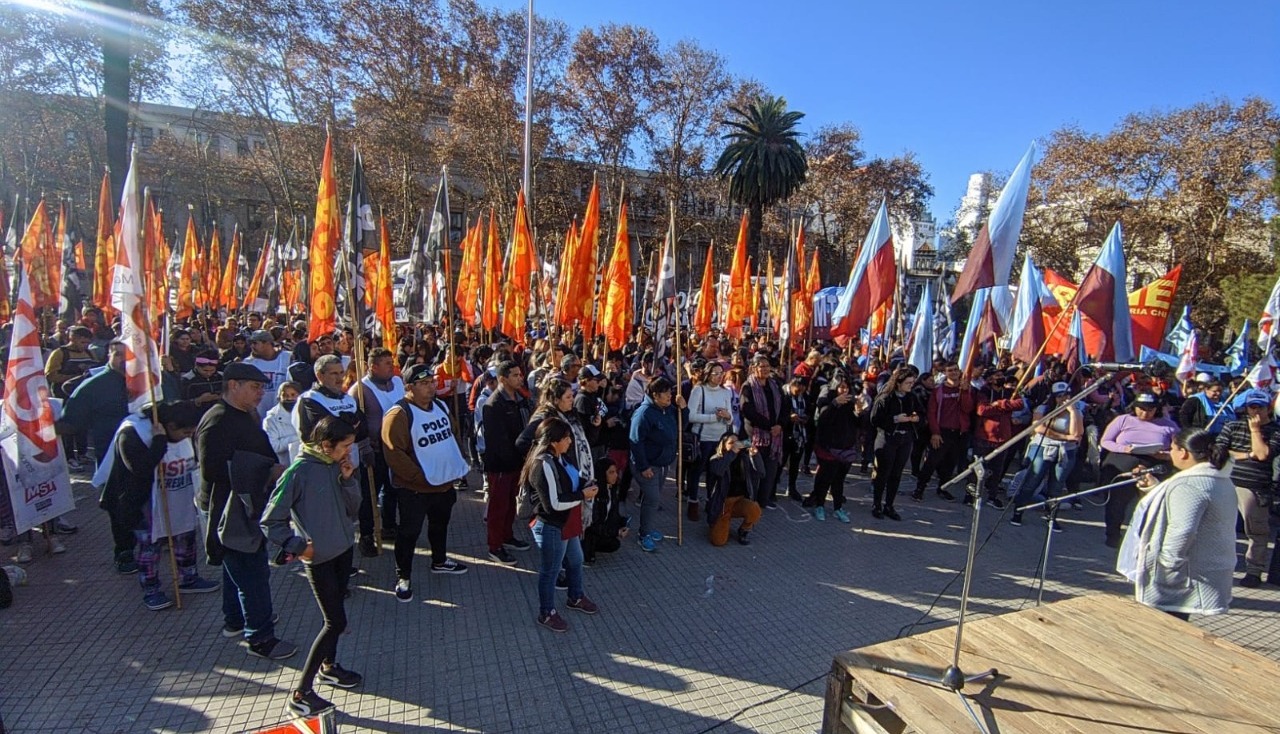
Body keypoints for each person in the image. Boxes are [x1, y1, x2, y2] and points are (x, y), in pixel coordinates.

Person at [261, 416, 364, 716]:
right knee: (335, 623)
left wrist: (348, 480)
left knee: (337, 618)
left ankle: (329, 667)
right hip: (318, 559)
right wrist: (298, 546)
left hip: (343, 551)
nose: (348, 452)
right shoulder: (298, 472)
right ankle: (301, 693)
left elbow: (352, 508)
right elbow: (270, 520)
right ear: (325, 444)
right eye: (344, 446)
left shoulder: (335, 466)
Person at [195, 362, 297, 660]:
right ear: (233, 385)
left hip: (246, 505)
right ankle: (261, 637)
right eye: (254, 388)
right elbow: (214, 471)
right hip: (230, 510)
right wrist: (266, 470)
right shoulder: (217, 422)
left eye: (262, 388)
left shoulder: (244, 415)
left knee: (235, 569)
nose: (260, 394)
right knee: (252, 573)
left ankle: (236, 619)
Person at [95, 400, 219, 610]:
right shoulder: (133, 433)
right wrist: (160, 442)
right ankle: (151, 588)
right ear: (170, 426)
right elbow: (139, 468)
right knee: (149, 546)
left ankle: (188, 577)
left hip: (178, 496)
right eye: (185, 432)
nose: (188, 436)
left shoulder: (184, 432)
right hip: (144, 502)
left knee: (186, 536)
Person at [1118, 429, 1237, 619]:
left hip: (1184, 575)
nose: (1169, 452)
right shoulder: (1219, 478)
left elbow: (1182, 530)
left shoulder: (1188, 483)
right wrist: (1155, 488)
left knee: (1165, 631)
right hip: (1205, 569)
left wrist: (1167, 564)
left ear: (1183, 452)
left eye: (1172, 448)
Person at [381, 363, 471, 603]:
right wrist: (419, 478)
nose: (431, 387)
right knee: (409, 533)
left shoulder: (440, 405)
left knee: (440, 525)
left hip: (443, 486)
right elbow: (394, 453)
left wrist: (457, 464)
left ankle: (439, 560)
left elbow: (452, 435)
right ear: (409, 387)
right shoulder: (398, 414)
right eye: (424, 383)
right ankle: (403, 577)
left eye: (431, 382)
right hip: (415, 490)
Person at [523, 417, 600, 632]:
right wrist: (583, 495)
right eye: (566, 438)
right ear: (553, 441)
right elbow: (554, 504)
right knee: (551, 570)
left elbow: (573, 480)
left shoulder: (561, 458)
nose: (570, 441)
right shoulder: (543, 464)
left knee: (576, 560)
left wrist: (586, 484)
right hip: (552, 525)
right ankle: (546, 612)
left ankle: (575, 596)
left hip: (567, 522)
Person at [294, 354, 372, 552]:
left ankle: (349, 548)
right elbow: (323, 432)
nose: (339, 378)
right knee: (329, 514)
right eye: (333, 374)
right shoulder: (309, 400)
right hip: (323, 468)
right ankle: (330, 552)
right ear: (320, 375)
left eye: (341, 373)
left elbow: (363, 427)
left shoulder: (347, 398)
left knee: (351, 509)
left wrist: (344, 423)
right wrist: (348, 423)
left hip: (349, 464)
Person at [1213, 389, 1280, 588]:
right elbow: (1218, 452)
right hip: (1227, 480)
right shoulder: (1232, 426)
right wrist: (1247, 455)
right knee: (1218, 527)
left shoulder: (1276, 431)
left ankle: (1254, 571)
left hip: (1255, 486)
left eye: (1261, 406)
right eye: (1253, 406)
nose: (1257, 411)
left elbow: (1262, 454)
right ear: (1245, 408)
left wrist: (1255, 432)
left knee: (1256, 531)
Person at [1100, 392, 1179, 548]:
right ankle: (1113, 535)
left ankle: (1146, 537)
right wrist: (1124, 448)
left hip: (1154, 463)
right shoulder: (1123, 420)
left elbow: (1179, 448)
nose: (1145, 413)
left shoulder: (1169, 425)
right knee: (1117, 502)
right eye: (1141, 409)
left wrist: (1167, 455)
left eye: (1150, 409)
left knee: (1151, 503)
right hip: (1124, 460)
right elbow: (1105, 441)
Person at [349, 347, 405, 550]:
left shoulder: (397, 382)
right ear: (373, 367)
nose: (392, 367)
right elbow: (354, 423)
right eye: (387, 364)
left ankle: (389, 526)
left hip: (397, 448)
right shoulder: (360, 390)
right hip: (374, 450)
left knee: (393, 490)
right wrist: (364, 448)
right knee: (369, 494)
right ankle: (366, 536)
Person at [481, 361, 534, 566]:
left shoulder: (520, 398)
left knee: (511, 503)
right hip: (501, 465)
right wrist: (518, 457)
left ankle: (507, 536)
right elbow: (498, 441)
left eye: (520, 374)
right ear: (502, 379)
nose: (520, 378)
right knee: (498, 506)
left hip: (517, 462)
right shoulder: (493, 405)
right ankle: (494, 546)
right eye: (515, 375)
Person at [1010, 382, 1083, 530]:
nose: (1063, 399)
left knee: (1056, 485)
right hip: (1043, 447)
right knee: (1032, 479)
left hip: (1065, 451)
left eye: (1067, 396)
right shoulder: (1043, 409)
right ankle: (1018, 511)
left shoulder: (1077, 412)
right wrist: (1064, 437)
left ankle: (1051, 517)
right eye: (1060, 396)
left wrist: (1073, 412)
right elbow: (1039, 428)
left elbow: (1076, 434)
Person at [629, 376, 686, 553]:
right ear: (655, 395)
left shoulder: (666, 409)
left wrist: (683, 409)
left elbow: (680, 424)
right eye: (666, 392)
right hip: (648, 465)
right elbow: (635, 441)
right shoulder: (644, 413)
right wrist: (643, 466)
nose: (670, 395)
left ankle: (648, 527)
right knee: (653, 498)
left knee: (652, 499)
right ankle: (643, 534)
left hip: (662, 463)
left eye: (670, 391)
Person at [912, 362, 973, 502]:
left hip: (959, 432)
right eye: (950, 370)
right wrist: (935, 432)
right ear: (945, 373)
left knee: (950, 463)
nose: (953, 373)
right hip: (942, 431)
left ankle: (943, 488)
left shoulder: (966, 389)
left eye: (956, 370)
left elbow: (968, 408)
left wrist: (964, 392)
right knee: (932, 462)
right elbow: (931, 413)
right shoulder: (938, 391)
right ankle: (919, 488)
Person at [805, 371, 860, 523]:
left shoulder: (851, 403)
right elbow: (823, 419)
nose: (844, 391)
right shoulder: (827, 399)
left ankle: (837, 507)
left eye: (846, 387)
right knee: (825, 478)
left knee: (839, 480)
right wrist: (835, 404)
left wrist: (859, 413)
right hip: (828, 447)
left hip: (845, 447)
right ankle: (820, 505)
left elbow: (860, 426)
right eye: (841, 387)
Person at [869, 367, 923, 520]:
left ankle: (889, 505)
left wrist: (916, 419)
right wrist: (895, 419)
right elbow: (875, 419)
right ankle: (877, 504)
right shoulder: (886, 397)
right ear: (898, 383)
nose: (910, 386)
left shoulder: (912, 397)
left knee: (897, 473)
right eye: (907, 383)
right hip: (887, 439)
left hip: (905, 439)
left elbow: (921, 414)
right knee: (883, 473)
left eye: (912, 382)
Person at [968, 369, 1025, 509]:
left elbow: (1019, 404)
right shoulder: (984, 391)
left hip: (1003, 437)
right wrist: (1002, 408)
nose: (1001, 378)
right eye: (997, 376)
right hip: (984, 435)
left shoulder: (1008, 392)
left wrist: (1000, 404)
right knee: (978, 468)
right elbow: (982, 410)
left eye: (1001, 375)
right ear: (990, 379)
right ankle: (970, 495)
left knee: (997, 469)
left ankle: (992, 496)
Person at [685, 361, 734, 520]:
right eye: (716, 373)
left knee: (715, 472)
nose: (719, 377)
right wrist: (714, 417)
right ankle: (692, 501)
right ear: (708, 374)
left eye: (721, 373)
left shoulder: (726, 392)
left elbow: (730, 417)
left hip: (720, 439)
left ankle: (710, 501)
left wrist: (727, 417)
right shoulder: (699, 390)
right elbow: (691, 416)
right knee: (697, 471)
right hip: (702, 438)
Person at [740, 355, 789, 508]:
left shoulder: (775, 385)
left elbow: (785, 407)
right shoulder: (748, 387)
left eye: (767, 366)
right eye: (762, 366)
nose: (766, 369)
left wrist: (780, 425)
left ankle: (764, 499)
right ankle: (751, 501)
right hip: (755, 436)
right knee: (755, 470)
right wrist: (769, 427)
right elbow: (748, 411)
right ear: (754, 368)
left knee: (770, 470)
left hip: (775, 436)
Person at [704, 433, 762, 546]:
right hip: (722, 503)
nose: (735, 445)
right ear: (723, 445)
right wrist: (731, 453)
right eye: (731, 443)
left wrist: (755, 456)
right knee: (718, 541)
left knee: (754, 509)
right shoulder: (716, 459)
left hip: (739, 500)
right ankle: (717, 522)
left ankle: (744, 530)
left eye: (737, 442)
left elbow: (761, 473)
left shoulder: (743, 458)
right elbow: (718, 470)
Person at [582, 459, 629, 564]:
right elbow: (592, 523)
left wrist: (622, 524)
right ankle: (586, 550)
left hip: (601, 527)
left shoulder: (611, 489)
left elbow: (612, 513)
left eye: (616, 472)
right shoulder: (594, 493)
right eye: (611, 472)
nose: (615, 475)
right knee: (592, 536)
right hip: (588, 530)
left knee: (614, 544)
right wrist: (614, 531)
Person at [243, 330, 292, 417]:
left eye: (255, 343)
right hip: (257, 414)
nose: (252, 346)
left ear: (267, 343)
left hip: (282, 414)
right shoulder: (248, 363)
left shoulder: (287, 357)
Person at [263, 382, 302, 465]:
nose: (289, 398)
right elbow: (274, 446)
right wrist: (298, 438)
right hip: (284, 465)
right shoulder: (271, 420)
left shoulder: (306, 414)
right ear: (279, 397)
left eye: (293, 394)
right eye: (285, 395)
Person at [181, 349, 225, 416]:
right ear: (196, 366)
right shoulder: (187, 379)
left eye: (212, 370)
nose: (208, 373)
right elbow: (181, 403)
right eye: (205, 370)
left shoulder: (221, 376)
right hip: (196, 415)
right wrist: (198, 400)